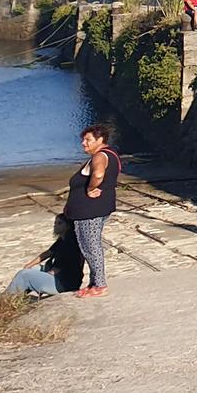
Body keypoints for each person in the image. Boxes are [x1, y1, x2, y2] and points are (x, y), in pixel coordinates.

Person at [65, 123, 121, 298]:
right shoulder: (108, 155)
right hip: (93, 209)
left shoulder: (100, 156)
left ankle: (100, 285)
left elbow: (97, 175)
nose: (83, 143)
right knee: (89, 245)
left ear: (100, 140)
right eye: (83, 139)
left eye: (88, 140)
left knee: (91, 246)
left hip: (91, 210)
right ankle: (94, 282)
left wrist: (90, 188)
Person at [8, 215, 85, 297]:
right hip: (57, 275)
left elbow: (70, 264)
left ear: (68, 226)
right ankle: (17, 295)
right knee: (29, 270)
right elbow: (48, 253)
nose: (55, 225)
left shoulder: (71, 244)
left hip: (62, 283)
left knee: (24, 275)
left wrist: (52, 272)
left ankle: (6, 298)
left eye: (59, 223)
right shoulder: (62, 240)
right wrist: (30, 264)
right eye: (55, 223)